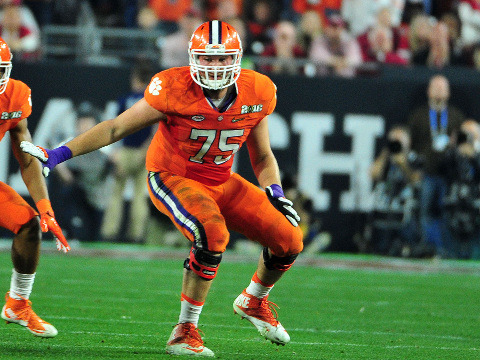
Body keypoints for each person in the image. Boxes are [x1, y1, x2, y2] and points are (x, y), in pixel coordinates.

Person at [21, 20, 303, 356]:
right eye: (207, 59)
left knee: (289, 239)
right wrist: (58, 154)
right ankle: (185, 330)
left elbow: (263, 157)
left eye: (222, 59)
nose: (214, 67)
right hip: (173, 176)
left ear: (237, 59)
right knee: (212, 235)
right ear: (192, 58)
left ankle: (253, 301)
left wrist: (275, 192)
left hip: (220, 179)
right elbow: (115, 128)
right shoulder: (172, 86)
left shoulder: (259, 90)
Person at [0, 36, 69, 337]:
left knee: (29, 225)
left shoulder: (15, 95)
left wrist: (45, 208)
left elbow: (26, 156)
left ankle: (18, 303)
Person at [408, 74, 465, 258]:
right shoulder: (418, 116)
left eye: (443, 87)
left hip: (449, 175)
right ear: (428, 91)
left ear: (448, 92)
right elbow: (411, 145)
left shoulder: (456, 116)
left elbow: (464, 145)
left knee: (446, 212)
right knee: (425, 212)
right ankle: (429, 248)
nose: (439, 91)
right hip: (427, 172)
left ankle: (445, 250)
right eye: (436, 87)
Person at [100, 61, 155, 243]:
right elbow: (157, 128)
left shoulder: (125, 99)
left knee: (116, 193)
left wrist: (115, 152)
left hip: (125, 151)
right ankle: (137, 235)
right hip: (145, 152)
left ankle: (109, 233)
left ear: (135, 78)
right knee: (140, 195)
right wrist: (145, 150)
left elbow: (115, 128)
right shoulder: (153, 101)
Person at [51, 102, 112, 242]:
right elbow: (53, 159)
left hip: (98, 197)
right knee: (67, 190)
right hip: (80, 196)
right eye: (80, 122)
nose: (83, 126)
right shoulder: (71, 142)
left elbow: (114, 164)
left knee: (94, 237)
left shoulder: (104, 144)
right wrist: (62, 170)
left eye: (87, 122)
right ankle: (66, 229)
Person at [367, 125, 422, 257]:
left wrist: (403, 164)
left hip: (405, 212)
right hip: (384, 211)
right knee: (381, 250)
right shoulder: (385, 157)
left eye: (400, 139)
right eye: (394, 139)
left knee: (406, 250)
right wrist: (385, 156)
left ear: (408, 141)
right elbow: (373, 174)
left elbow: (417, 180)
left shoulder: (414, 158)